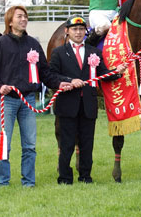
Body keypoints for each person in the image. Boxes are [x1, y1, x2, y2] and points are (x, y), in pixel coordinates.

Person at [0, 6, 72, 187]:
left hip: (28, 100)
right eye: (20, 16)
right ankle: (2, 182)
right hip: (7, 101)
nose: (24, 19)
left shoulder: (33, 44)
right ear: (10, 21)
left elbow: (45, 73)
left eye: (25, 16)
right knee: (4, 144)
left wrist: (59, 82)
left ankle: (29, 181)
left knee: (30, 145)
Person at [50, 15, 128, 185]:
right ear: (67, 31)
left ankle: (86, 176)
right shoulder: (59, 53)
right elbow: (52, 76)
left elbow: (103, 74)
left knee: (87, 144)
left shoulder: (95, 52)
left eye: (81, 29)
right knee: (67, 144)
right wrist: (69, 82)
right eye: (74, 29)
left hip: (88, 106)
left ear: (86, 32)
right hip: (67, 106)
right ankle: (65, 177)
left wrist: (118, 71)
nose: (78, 32)